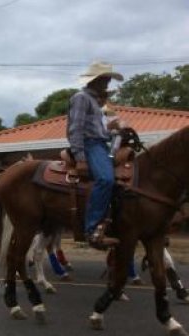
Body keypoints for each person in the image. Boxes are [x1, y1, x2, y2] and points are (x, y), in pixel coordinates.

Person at [66, 61, 125, 249]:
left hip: (100, 144)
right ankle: (91, 230)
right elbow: (76, 129)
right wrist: (81, 158)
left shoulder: (95, 102)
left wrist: (112, 131)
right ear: (96, 79)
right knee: (106, 179)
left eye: (109, 78)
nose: (108, 82)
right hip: (90, 146)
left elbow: (99, 133)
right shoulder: (81, 98)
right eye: (106, 78)